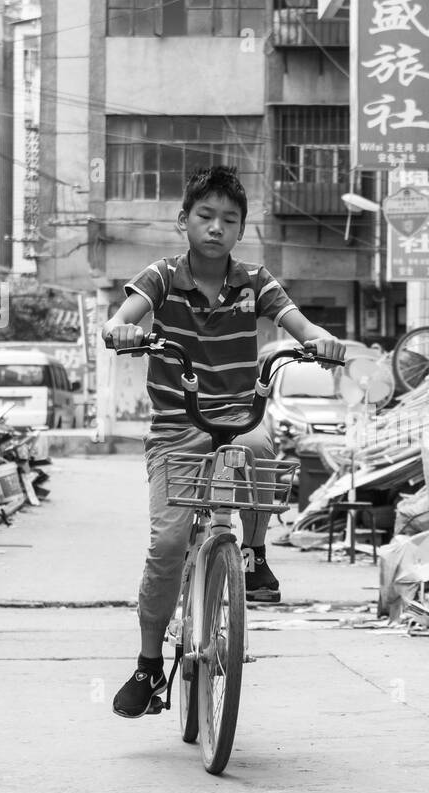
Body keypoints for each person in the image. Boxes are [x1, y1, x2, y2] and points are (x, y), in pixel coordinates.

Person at [102, 166, 346, 718]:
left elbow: (294, 321)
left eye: (229, 220)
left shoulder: (254, 281)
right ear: (183, 221)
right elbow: (123, 316)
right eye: (205, 216)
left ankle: (254, 553)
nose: (216, 228)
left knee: (261, 449)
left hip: (239, 418)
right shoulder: (162, 276)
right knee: (166, 549)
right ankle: (148, 665)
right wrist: (123, 329)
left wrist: (318, 339)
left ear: (241, 230)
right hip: (176, 427)